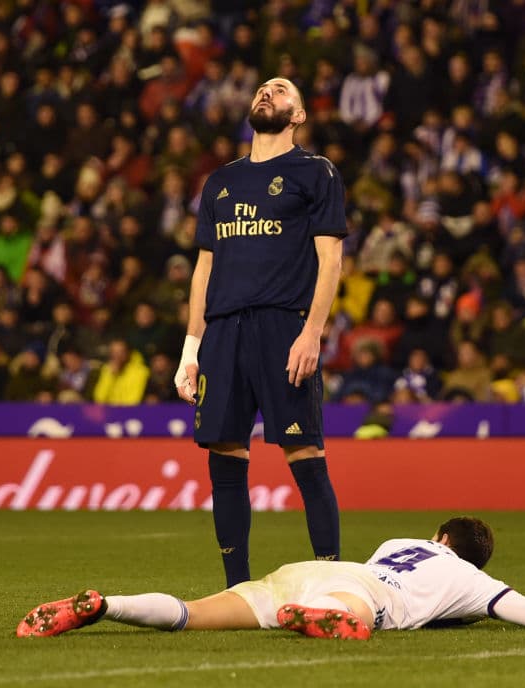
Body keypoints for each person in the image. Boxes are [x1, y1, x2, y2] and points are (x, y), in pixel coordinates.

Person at [174, 77, 347, 587]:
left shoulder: (315, 172)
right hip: (224, 333)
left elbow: (330, 258)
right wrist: (191, 349)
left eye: (282, 89)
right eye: (262, 89)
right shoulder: (219, 183)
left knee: (304, 453)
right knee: (225, 455)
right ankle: (237, 590)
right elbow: (204, 269)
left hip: (282, 327)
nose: (267, 93)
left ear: (297, 116)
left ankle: (333, 582)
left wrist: (312, 332)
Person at [16, 516, 525, 640]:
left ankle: (111, 603)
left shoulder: (401, 540)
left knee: (190, 613)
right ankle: (329, 625)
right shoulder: (471, 584)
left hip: (309, 571)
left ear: (439, 536)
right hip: (357, 594)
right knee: (359, 614)